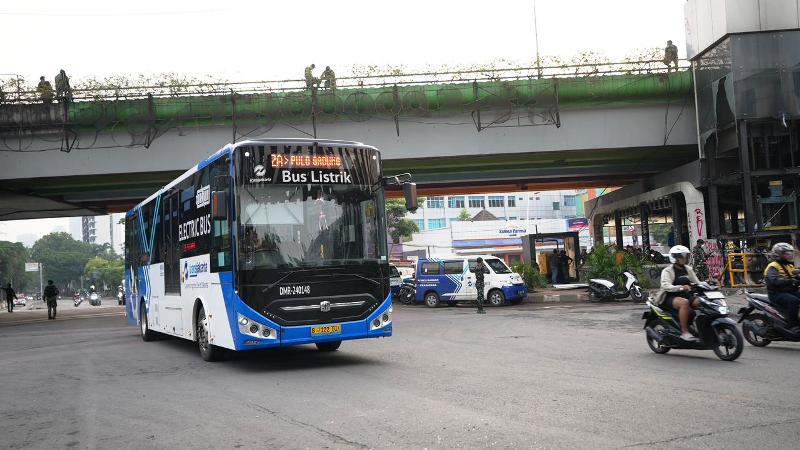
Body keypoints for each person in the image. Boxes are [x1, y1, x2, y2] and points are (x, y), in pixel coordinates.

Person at [654, 245, 701, 341]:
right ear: (675, 258)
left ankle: (700, 328)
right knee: (684, 303)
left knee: (701, 302)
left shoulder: (688, 269)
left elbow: (697, 282)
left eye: (686, 255)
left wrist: (709, 284)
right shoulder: (667, 271)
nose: (685, 258)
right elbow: (665, 286)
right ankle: (685, 332)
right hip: (669, 297)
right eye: (682, 256)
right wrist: (680, 288)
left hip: (686, 295)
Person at [763, 243, 800, 331]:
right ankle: (792, 325)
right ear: (779, 255)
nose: (790, 255)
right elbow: (774, 281)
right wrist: (790, 280)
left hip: (789, 291)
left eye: (791, 253)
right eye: (787, 253)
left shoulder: (789, 265)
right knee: (793, 301)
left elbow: (795, 274)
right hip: (776, 294)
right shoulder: (772, 266)